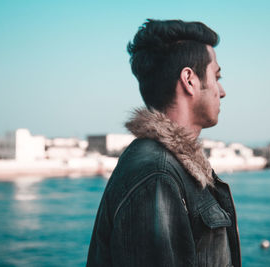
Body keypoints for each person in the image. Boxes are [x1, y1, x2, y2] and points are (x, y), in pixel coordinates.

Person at [86, 19, 241, 267]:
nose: (222, 91)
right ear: (189, 80)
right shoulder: (157, 175)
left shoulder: (168, 167)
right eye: (216, 76)